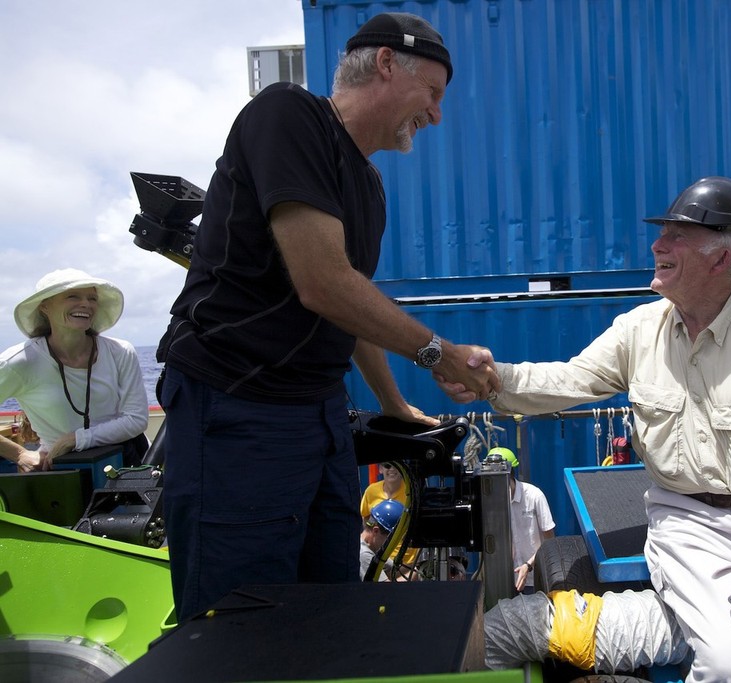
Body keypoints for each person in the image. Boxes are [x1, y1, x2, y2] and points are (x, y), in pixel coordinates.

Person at [442, 178, 731, 681]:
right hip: (689, 522)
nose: (657, 245)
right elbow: (568, 379)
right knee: (729, 665)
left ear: (721, 260)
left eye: (677, 236)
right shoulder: (638, 331)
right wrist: (492, 380)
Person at [155, 11, 500, 619]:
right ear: (388, 64)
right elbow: (324, 284)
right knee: (241, 622)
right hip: (237, 406)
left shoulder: (369, 183)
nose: (437, 115)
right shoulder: (289, 114)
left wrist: (394, 406)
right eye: (433, 94)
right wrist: (438, 353)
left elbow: (354, 303)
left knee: (327, 610)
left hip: (318, 415)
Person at [0, 268, 149, 473]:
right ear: (45, 306)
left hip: (130, 461)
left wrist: (76, 439)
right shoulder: (19, 361)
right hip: (60, 468)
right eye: (72, 296)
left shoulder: (120, 352)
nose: (86, 304)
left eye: (92, 298)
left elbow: (136, 419)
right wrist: (20, 454)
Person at [488, 447, 555, 593]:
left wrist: (528, 566)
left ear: (509, 475)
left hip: (536, 580)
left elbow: (550, 542)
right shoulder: (489, 504)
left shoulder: (534, 496)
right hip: (504, 582)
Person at [359, 461, 418, 567]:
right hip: (380, 557)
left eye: (396, 465)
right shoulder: (371, 491)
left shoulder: (412, 493)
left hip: (406, 560)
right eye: (387, 465)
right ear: (380, 469)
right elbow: (367, 518)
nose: (392, 469)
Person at [359, 499, 406, 581]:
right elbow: (386, 590)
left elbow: (394, 571)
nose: (395, 543)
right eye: (392, 538)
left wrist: (419, 565)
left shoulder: (374, 548)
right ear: (376, 531)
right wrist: (417, 574)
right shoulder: (363, 554)